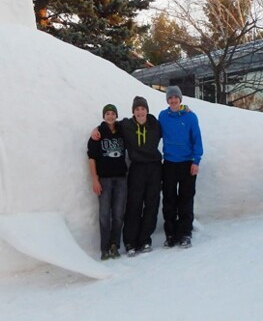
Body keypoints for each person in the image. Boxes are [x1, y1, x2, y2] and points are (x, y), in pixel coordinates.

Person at [92, 96, 162, 255]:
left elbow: (174, 122)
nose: (140, 112)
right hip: (137, 168)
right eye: (137, 109)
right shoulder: (127, 125)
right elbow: (110, 124)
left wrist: (185, 108)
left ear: (147, 110)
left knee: (151, 205)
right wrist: (95, 130)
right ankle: (130, 241)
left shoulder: (156, 125)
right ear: (133, 112)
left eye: (142, 108)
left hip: (154, 168)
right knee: (134, 205)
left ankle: (145, 240)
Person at [159, 86, 203, 248]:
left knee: (186, 200)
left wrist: (196, 161)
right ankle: (170, 234)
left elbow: (197, 140)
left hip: (187, 164)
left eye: (175, 97)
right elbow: (151, 129)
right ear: (167, 100)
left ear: (180, 99)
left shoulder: (191, 117)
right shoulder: (163, 116)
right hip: (169, 164)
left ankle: (185, 233)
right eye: (170, 98)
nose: (173, 100)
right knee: (169, 200)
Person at [87, 104, 127, 260]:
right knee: (104, 215)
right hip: (104, 179)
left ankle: (114, 245)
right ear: (104, 116)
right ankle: (104, 248)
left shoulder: (122, 129)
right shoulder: (98, 133)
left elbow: (134, 121)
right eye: (107, 113)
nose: (110, 116)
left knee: (118, 214)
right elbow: (91, 158)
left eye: (113, 113)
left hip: (121, 178)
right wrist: (95, 179)